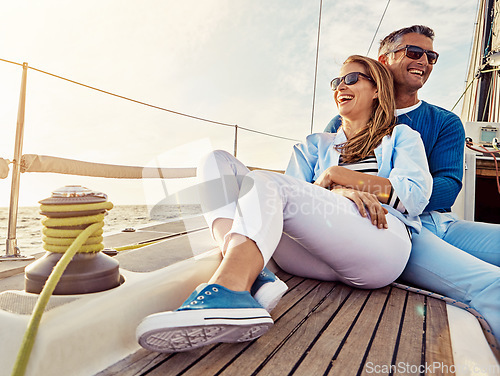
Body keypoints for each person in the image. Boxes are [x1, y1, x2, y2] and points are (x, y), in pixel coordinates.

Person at [135, 55, 432, 353]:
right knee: (215, 162)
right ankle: (252, 274)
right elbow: (287, 198)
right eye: (337, 81)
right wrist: (331, 193)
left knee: (266, 181)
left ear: (377, 88)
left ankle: (230, 289)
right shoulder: (315, 145)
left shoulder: (401, 137)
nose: (341, 86)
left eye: (352, 79)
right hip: (310, 255)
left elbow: (415, 196)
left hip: (378, 245)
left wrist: (339, 176)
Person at [325, 25, 500, 345]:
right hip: (391, 227)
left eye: (431, 56)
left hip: (438, 222)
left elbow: (448, 186)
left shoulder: (444, 121)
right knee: (492, 286)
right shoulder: (342, 123)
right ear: (384, 59)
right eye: (414, 52)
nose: (425, 61)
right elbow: (324, 182)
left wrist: (391, 193)